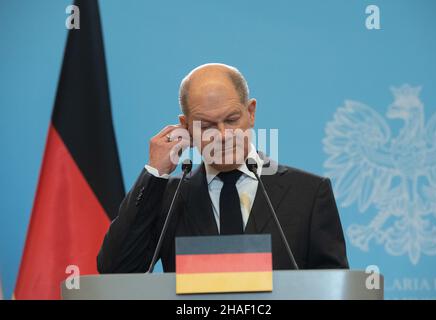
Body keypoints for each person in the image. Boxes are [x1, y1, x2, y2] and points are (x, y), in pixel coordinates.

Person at [97, 63, 349, 273]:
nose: (223, 135)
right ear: (186, 126)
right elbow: (116, 270)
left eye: (231, 120)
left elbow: (334, 287)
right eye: (206, 125)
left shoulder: (309, 193)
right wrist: (155, 173)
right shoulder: (167, 198)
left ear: (251, 112)